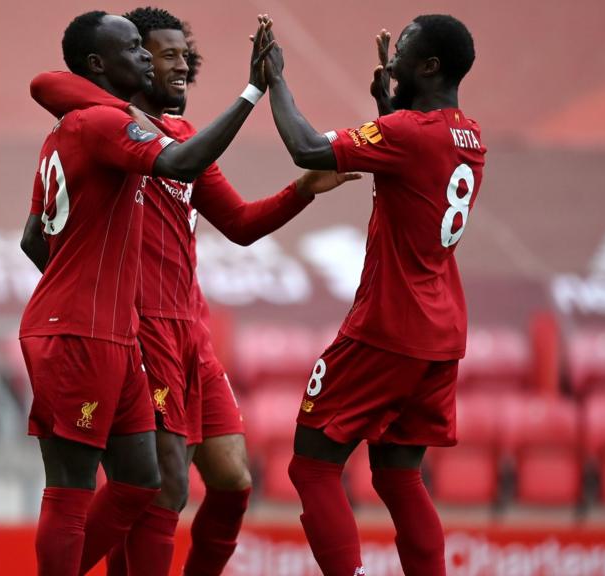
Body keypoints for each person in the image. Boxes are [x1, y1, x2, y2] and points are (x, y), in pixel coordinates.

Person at [27, 8, 359, 575]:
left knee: (231, 481)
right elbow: (39, 237)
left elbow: (242, 224)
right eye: (162, 53)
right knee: (163, 487)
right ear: (119, 63)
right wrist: (93, 294)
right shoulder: (114, 134)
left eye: (186, 55)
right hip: (135, 329)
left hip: (191, 332)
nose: (180, 65)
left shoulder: (175, 138)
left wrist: (302, 190)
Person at [257, 13, 485, 576]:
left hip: (388, 325)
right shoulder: (471, 136)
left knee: (311, 467)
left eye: (403, 49)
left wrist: (275, 79)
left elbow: (308, 149)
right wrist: (391, 107)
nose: (391, 56)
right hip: (441, 332)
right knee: (397, 474)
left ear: (429, 66)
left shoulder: (409, 134)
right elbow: (413, 169)